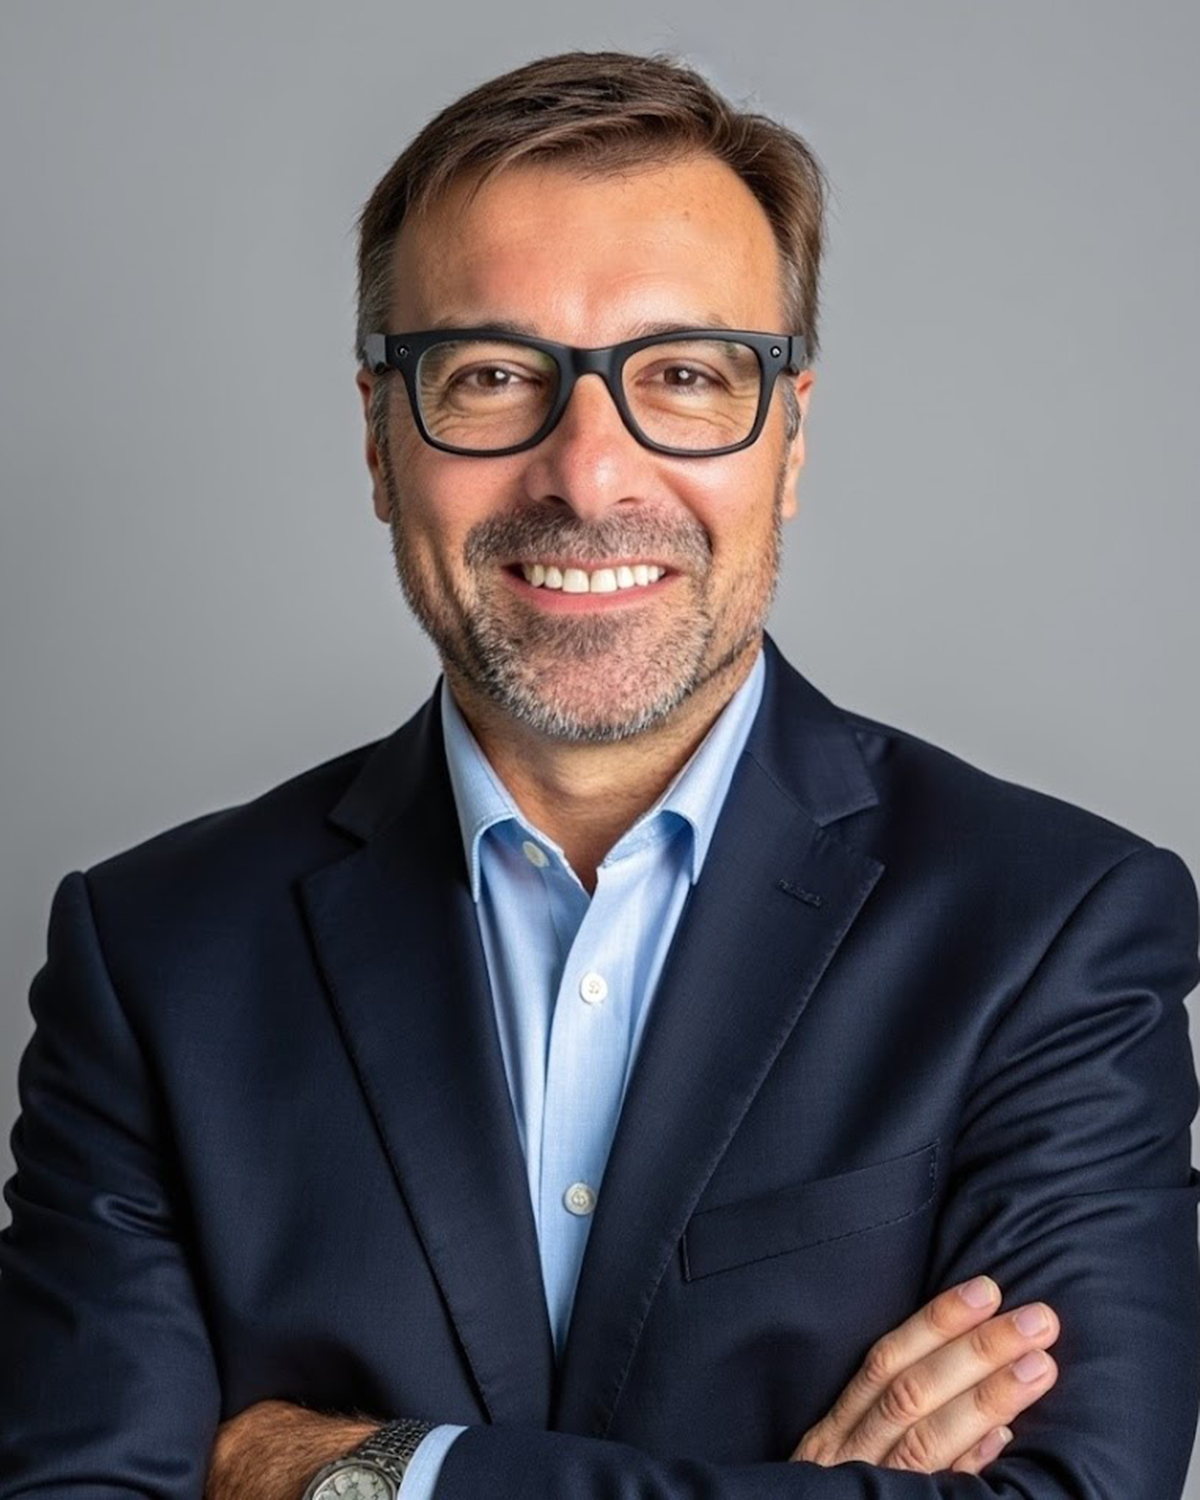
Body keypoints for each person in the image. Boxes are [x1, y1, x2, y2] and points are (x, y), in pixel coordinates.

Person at [2, 48, 1198, 1500]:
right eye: (492, 376)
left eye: (683, 376)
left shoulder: (1053, 930)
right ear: (379, 441)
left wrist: (359, 1473)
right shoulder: (154, 958)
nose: (588, 474)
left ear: (790, 439)